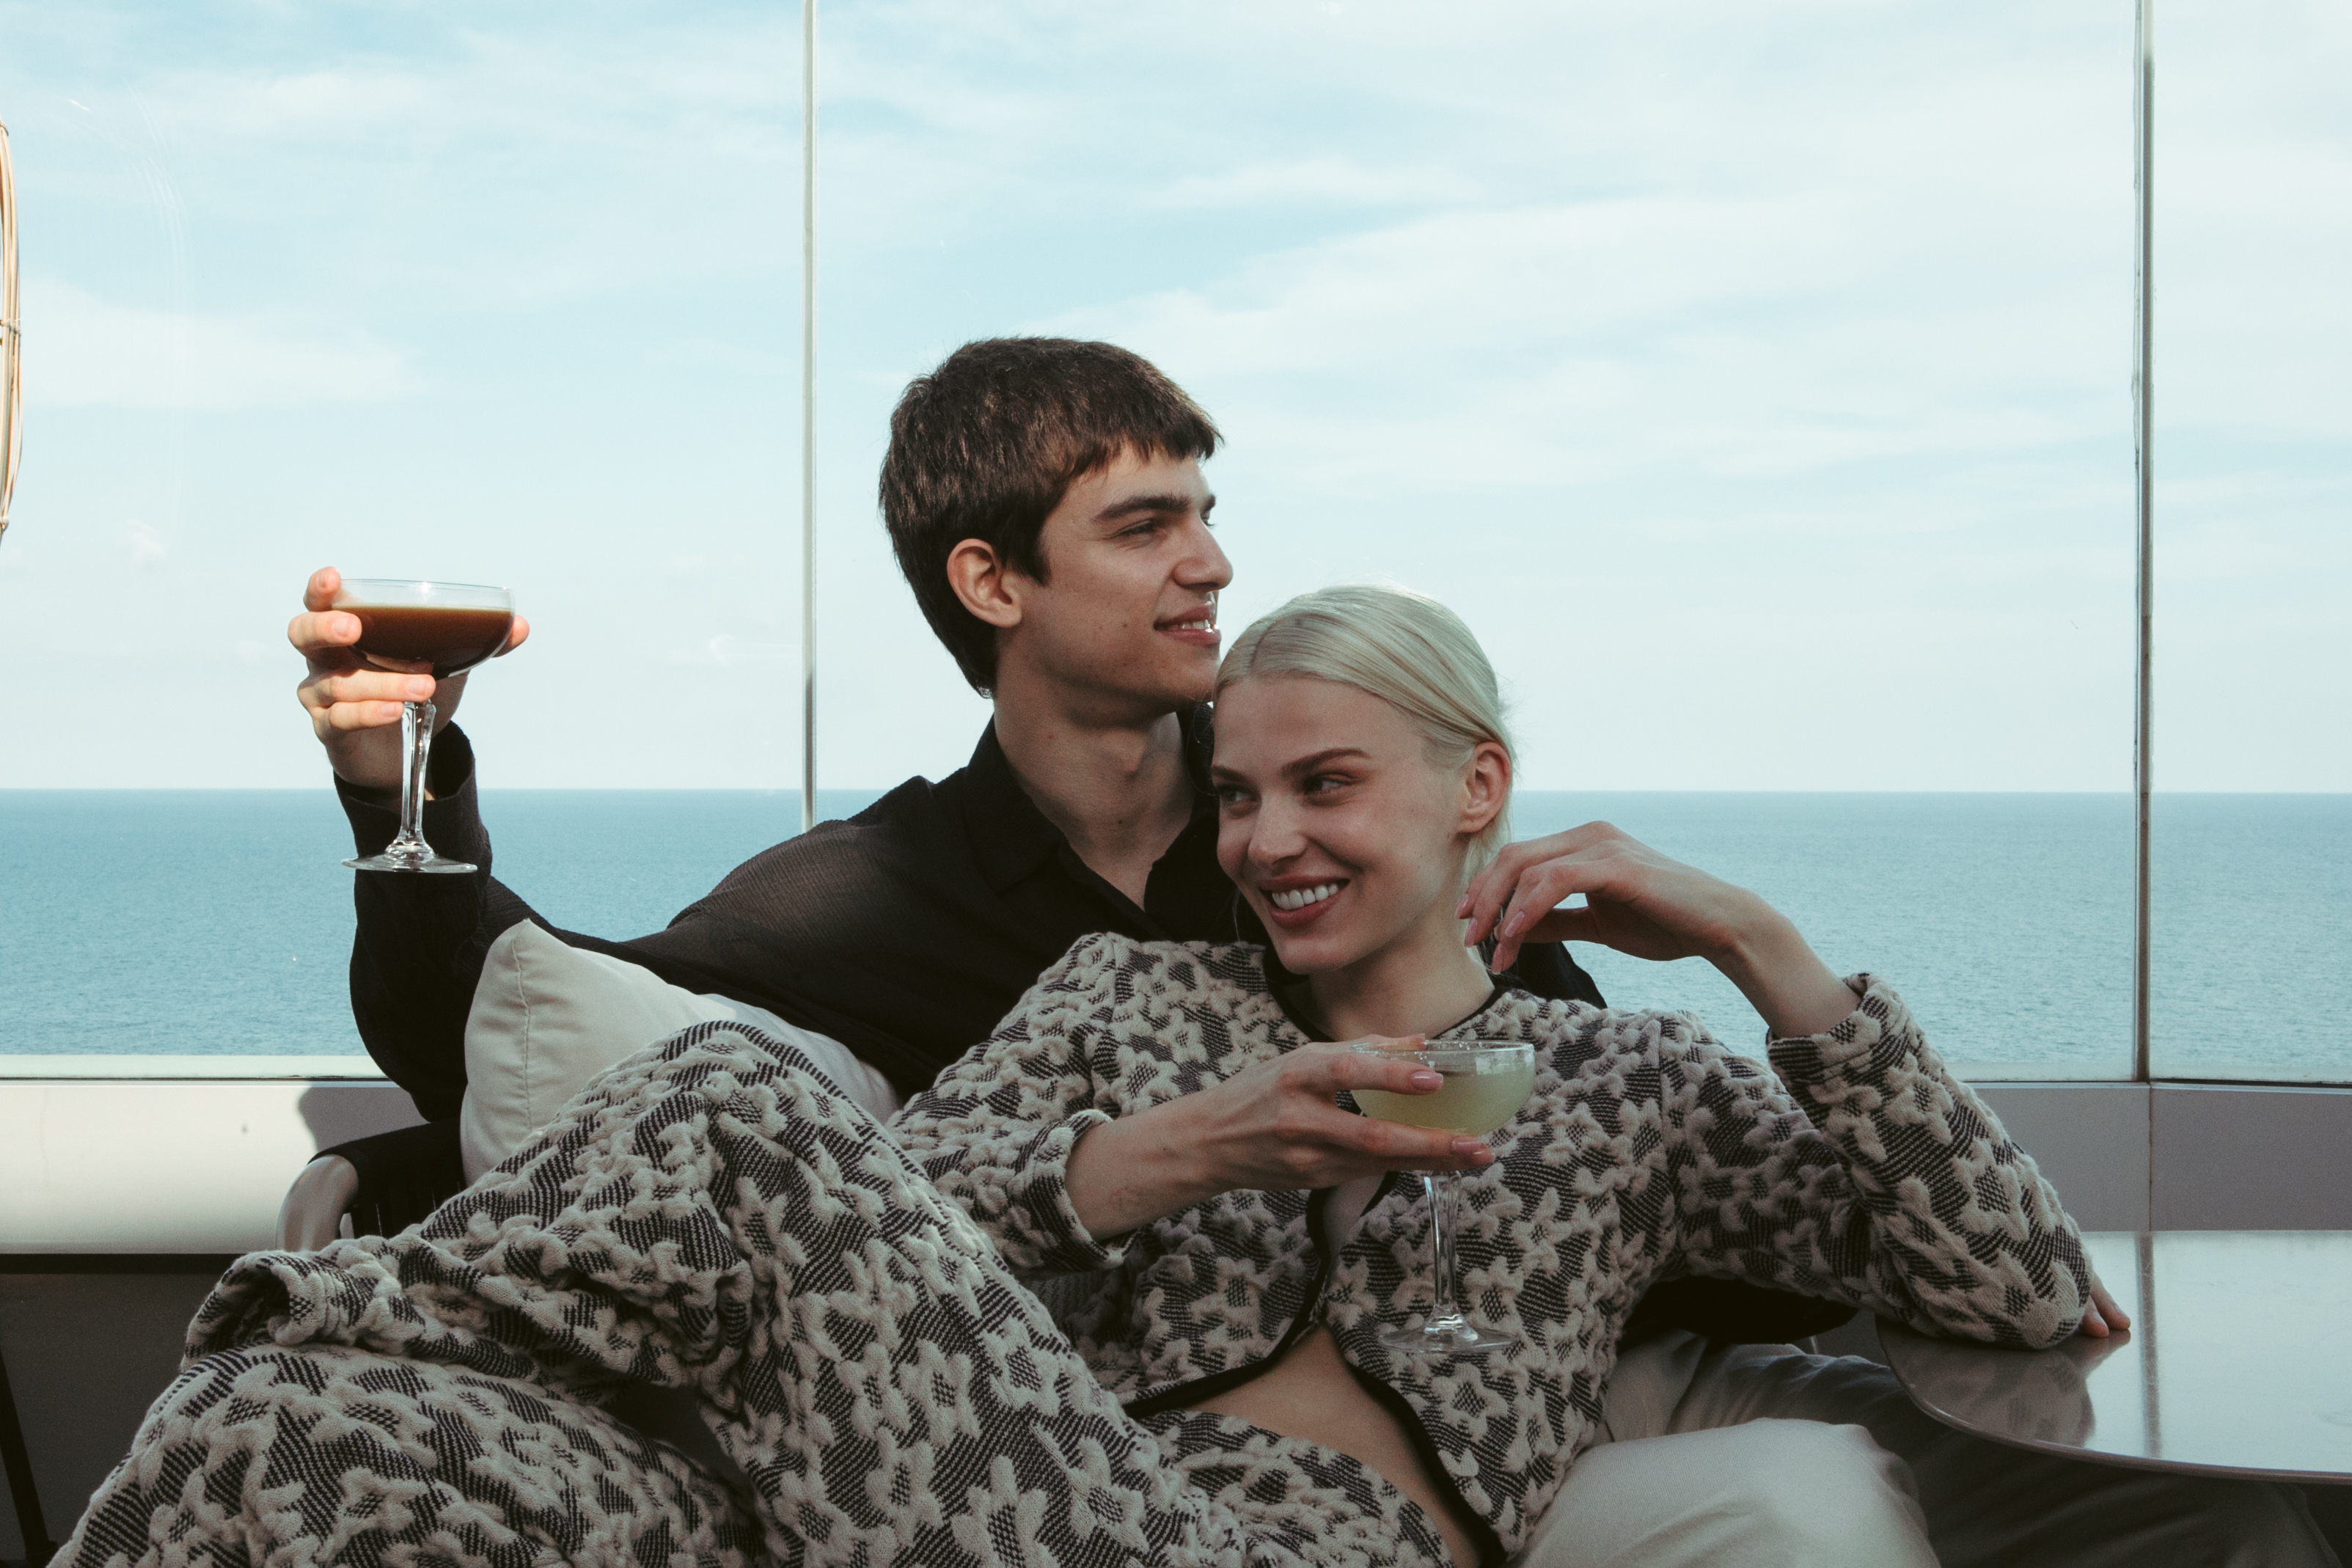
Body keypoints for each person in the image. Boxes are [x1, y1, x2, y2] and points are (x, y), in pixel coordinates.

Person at [72, 584, 2326, 1568]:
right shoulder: (1128, 1009)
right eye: (1238, 794)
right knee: (288, 1434)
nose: (1266, 839)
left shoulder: (1611, 1090)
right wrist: (1152, 1159)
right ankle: (320, 1340)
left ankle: (331, 1296)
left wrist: (1758, 943)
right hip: (962, 1501)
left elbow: (2015, 1284)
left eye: (1326, 783)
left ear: (1478, 787)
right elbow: (872, 1255)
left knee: (750, 1110)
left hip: (1270, 1548)